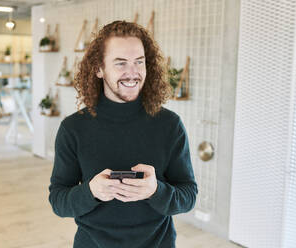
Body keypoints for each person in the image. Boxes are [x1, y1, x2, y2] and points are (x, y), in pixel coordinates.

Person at [48, 20, 198, 248]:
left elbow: (188, 196)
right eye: (120, 63)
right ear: (99, 68)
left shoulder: (169, 125)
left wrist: (156, 190)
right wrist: (90, 192)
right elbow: (59, 202)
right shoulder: (73, 128)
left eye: (139, 62)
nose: (133, 73)